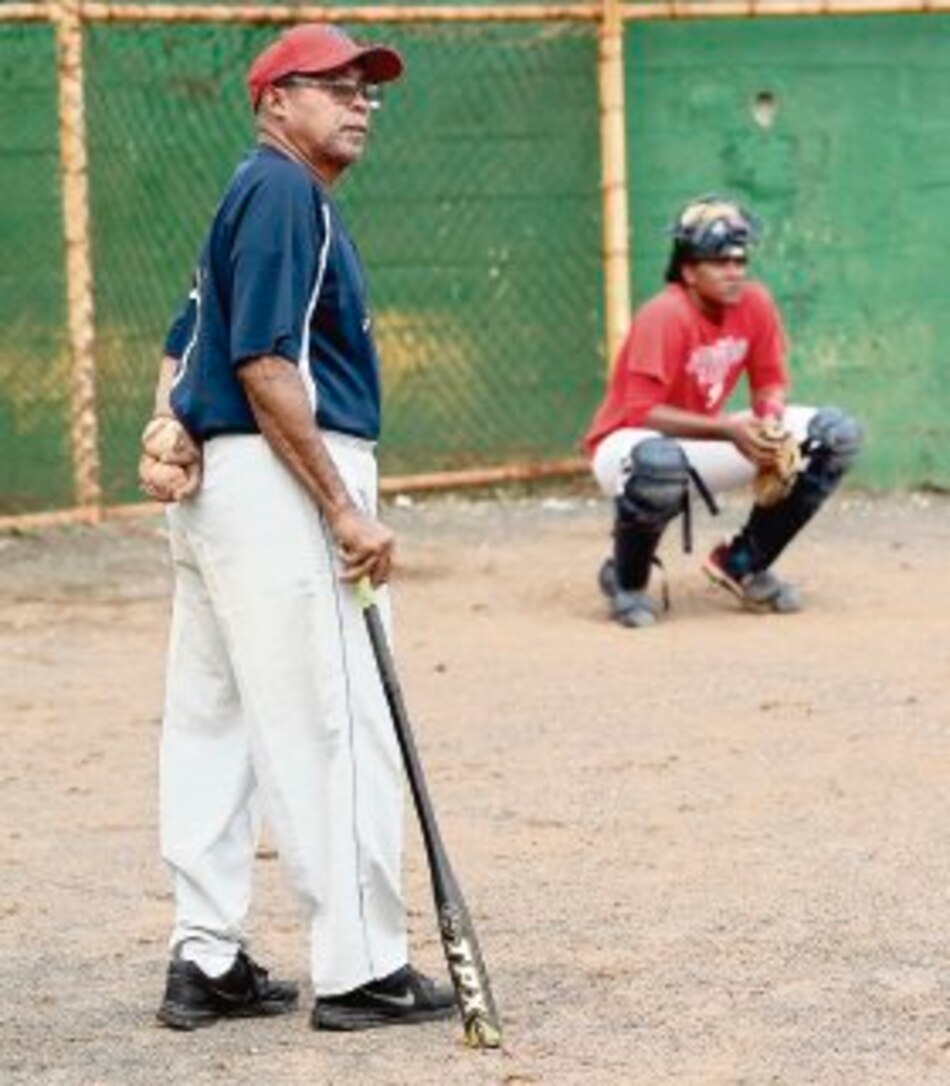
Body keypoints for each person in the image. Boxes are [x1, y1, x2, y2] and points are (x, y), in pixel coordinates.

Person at [137, 23, 455, 1033]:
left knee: (213, 722)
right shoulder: (285, 194)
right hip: (284, 482)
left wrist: (165, 428)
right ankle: (362, 970)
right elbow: (264, 365)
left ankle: (207, 956)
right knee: (333, 723)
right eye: (336, 86)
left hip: (223, 493)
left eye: (368, 90)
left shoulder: (250, 194)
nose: (361, 102)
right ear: (275, 101)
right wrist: (342, 507)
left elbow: (186, 340)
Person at [584, 195, 862, 629]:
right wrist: (730, 431)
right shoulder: (665, 314)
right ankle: (626, 580)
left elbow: (769, 380)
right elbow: (640, 411)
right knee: (659, 461)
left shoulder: (755, 303)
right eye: (719, 262)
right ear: (689, 271)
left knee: (834, 435)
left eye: (739, 260)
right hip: (626, 446)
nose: (734, 271)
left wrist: (769, 420)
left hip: (700, 442)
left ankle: (743, 562)